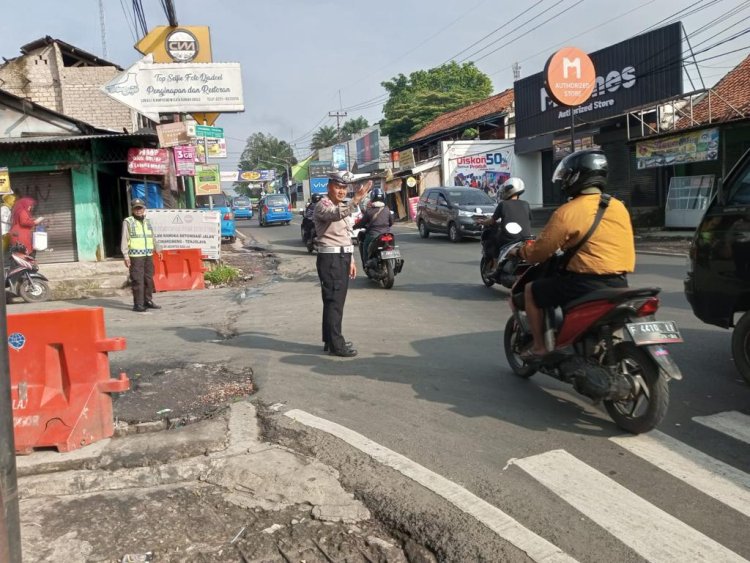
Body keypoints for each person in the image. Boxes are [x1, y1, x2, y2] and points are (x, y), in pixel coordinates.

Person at [511, 149, 635, 359]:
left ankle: (540, 347)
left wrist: (521, 251)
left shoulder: (568, 211)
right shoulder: (618, 206)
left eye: (566, 176)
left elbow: (539, 252)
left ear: (575, 177)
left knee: (532, 290)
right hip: (620, 282)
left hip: (585, 283)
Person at [313, 171, 372, 357]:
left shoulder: (342, 205)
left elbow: (345, 235)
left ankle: (330, 341)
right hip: (331, 259)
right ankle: (337, 345)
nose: (341, 191)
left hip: (341, 257)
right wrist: (356, 199)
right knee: (334, 302)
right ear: (328, 186)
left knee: (333, 302)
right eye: (338, 187)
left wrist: (352, 258)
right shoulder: (323, 205)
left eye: (344, 188)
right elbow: (336, 215)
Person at [480, 177, 532, 281]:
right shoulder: (526, 204)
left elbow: (492, 221)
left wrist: (482, 222)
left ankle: (495, 266)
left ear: (509, 190)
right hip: (526, 238)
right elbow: (528, 218)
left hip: (510, 238)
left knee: (494, 239)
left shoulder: (503, 204)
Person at [121, 198, 161, 313]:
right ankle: (138, 304)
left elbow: (152, 236)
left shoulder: (147, 221)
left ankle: (147, 301)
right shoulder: (128, 221)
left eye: (140, 208)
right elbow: (125, 239)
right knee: (138, 280)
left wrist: (158, 248)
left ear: (144, 209)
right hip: (135, 256)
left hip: (148, 254)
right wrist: (125, 256)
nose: (138, 210)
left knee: (148, 279)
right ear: (133, 210)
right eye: (136, 208)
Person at [353, 187, 392, 268]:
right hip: (387, 234)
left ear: (372, 197)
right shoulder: (387, 209)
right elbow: (391, 222)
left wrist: (354, 227)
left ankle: (366, 263)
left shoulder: (369, 211)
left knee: (365, 246)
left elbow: (362, 223)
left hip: (373, 235)